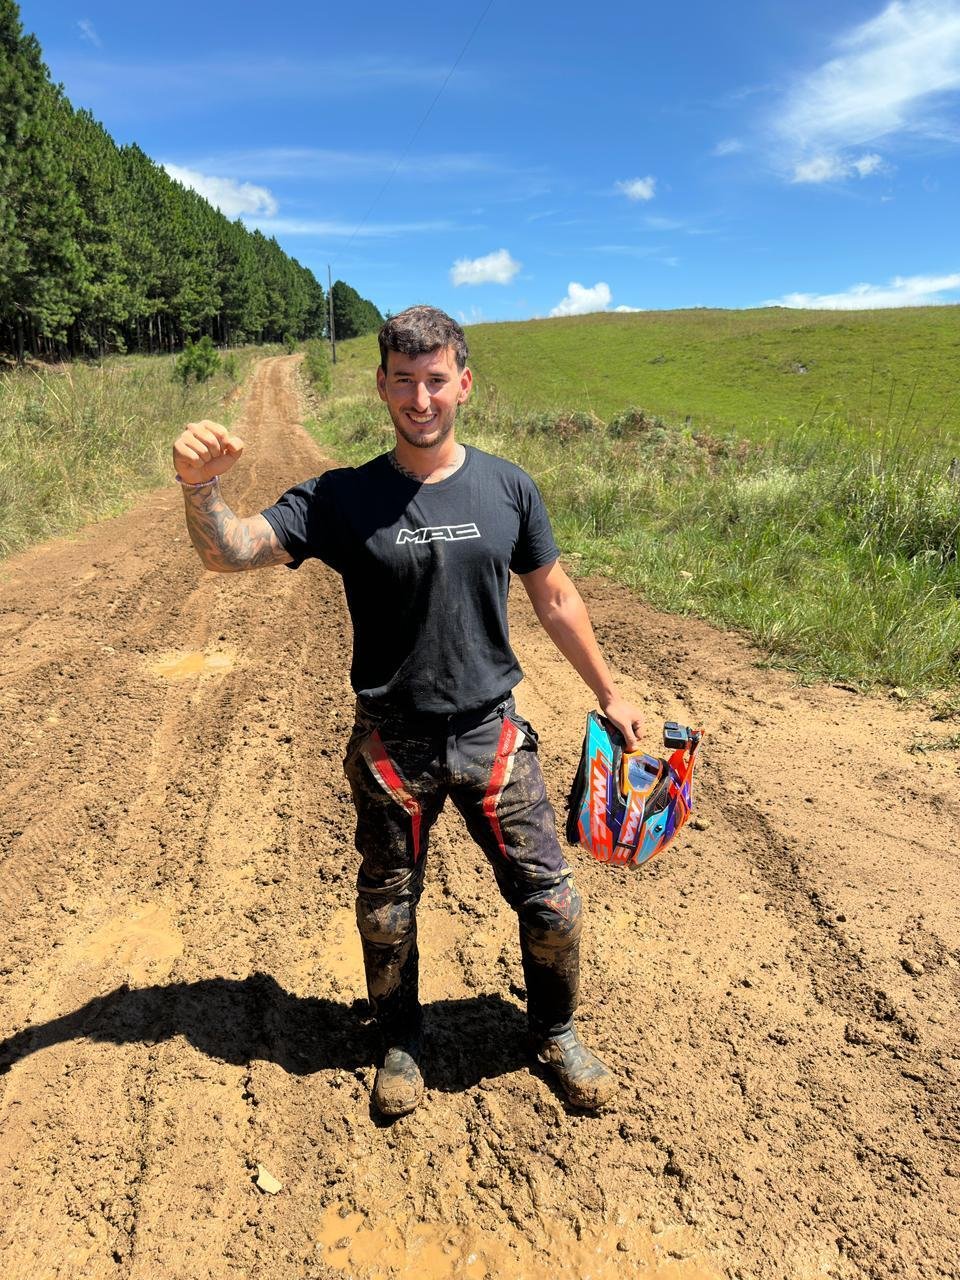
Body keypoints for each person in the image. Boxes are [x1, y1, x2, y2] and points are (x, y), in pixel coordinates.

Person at [172, 306, 644, 1116]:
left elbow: (556, 597)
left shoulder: (508, 487)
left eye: (435, 380)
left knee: (553, 902)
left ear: (464, 383)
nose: (420, 398)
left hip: (493, 734)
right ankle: (399, 1040)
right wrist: (199, 486)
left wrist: (610, 691)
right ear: (382, 386)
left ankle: (556, 1033)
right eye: (403, 381)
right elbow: (229, 551)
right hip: (393, 745)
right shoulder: (343, 497)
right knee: (387, 911)